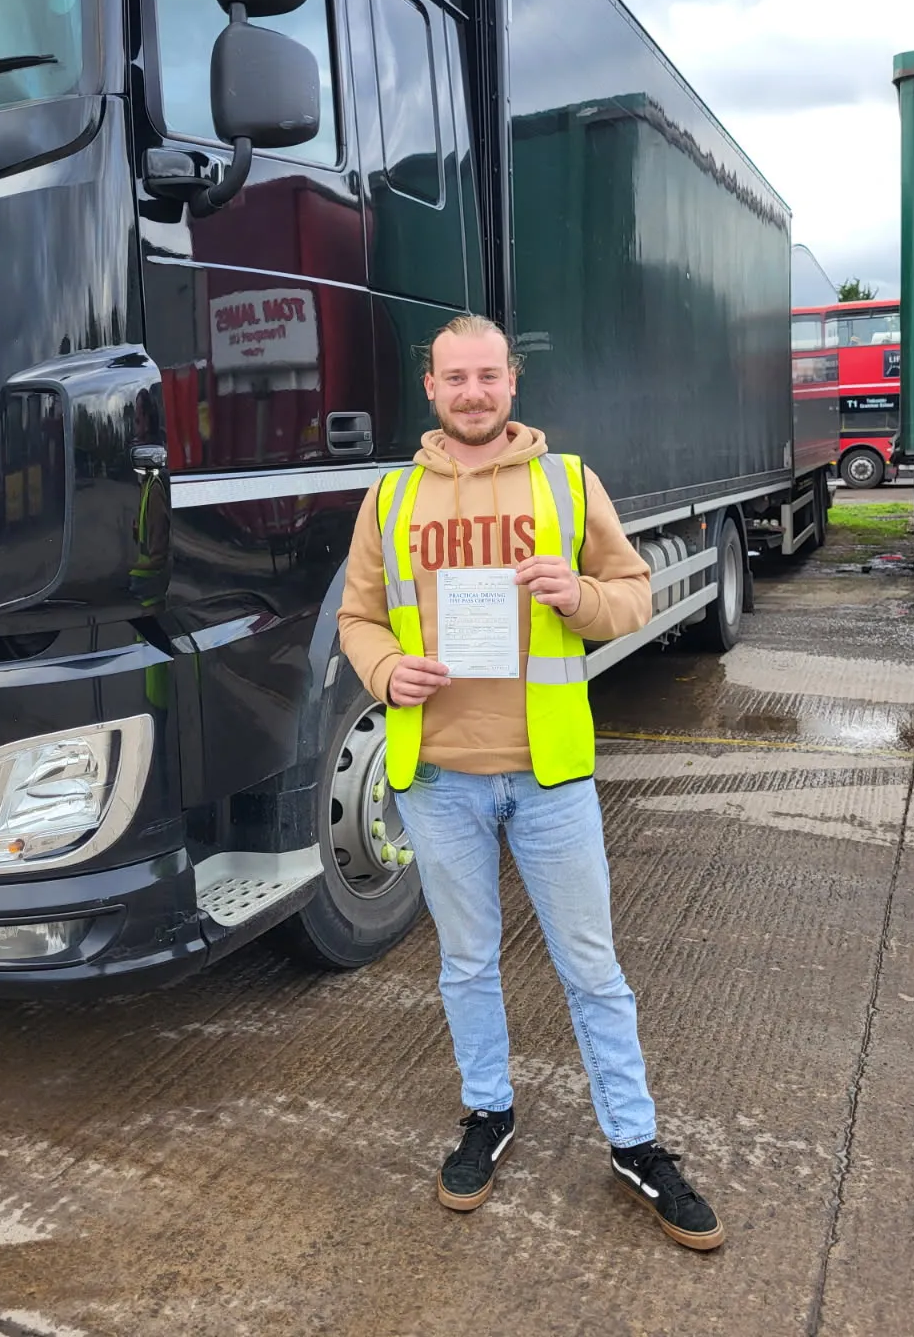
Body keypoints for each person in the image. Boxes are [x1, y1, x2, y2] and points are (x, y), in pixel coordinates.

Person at [337, 314, 724, 1251]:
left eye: (488, 376)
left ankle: (635, 1142)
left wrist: (577, 595)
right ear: (429, 388)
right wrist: (387, 675)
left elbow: (634, 593)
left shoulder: (565, 480)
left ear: (513, 382)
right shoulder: (390, 497)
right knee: (466, 963)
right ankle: (487, 1113)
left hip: (550, 779)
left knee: (592, 969)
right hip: (437, 778)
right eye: (453, 379)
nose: (473, 393)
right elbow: (358, 618)